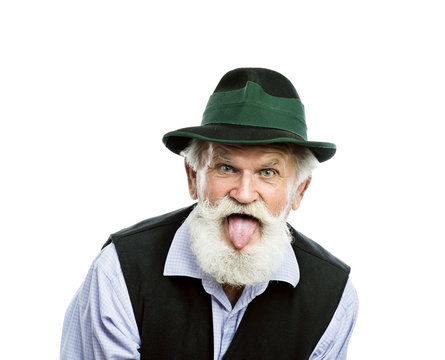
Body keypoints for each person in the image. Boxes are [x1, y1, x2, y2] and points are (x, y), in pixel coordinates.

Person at [61, 68, 358, 360]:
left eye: (268, 172)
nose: (244, 193)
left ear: (299, 191)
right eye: (226, 168)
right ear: (193, 177)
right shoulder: (119, 273)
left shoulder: (333, 297)